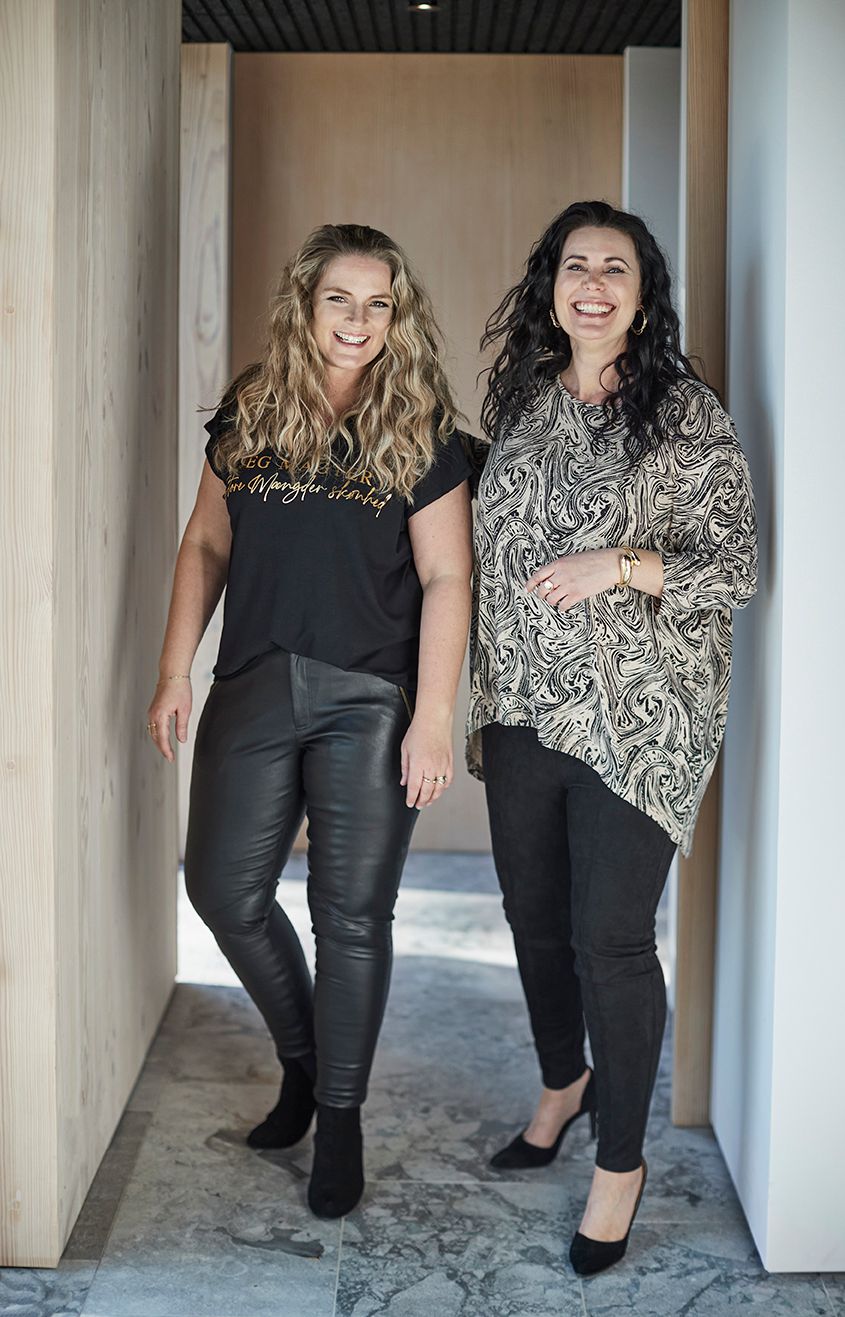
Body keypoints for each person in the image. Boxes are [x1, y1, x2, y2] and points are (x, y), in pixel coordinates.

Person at [147, 223, 473, 1219]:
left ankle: (339, 1115)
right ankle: (303, 1061)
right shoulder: (253, 408)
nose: (359, 322)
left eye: (379, 304)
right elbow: (205, 545)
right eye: (341, 299)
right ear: (305, 303)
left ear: (396, 316)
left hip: (367, 701)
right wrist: (174, 671)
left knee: (350, 917)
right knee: (222, 888)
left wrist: (432, 719)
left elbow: (445, 575)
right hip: (251, 679)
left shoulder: (420, 427)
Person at [466, 200, 757, 1275]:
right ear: (551, 285)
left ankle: (619, 1166)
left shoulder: (684, 414)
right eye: (573, 265)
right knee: (534, 922)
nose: (591, 283)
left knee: (611, 941)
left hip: (642, 722)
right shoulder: (523, 402)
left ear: (642, 295)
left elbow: (733, 568)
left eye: (614, 269)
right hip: (522, 708)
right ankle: (560, 1085)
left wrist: (618, 566)